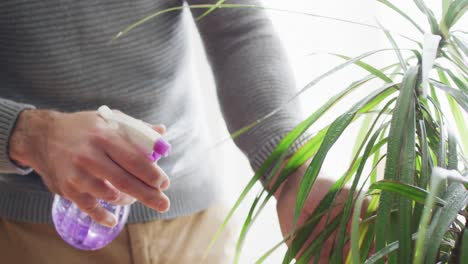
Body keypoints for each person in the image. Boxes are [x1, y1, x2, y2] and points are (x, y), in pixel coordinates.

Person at [0, 0, 350, 263]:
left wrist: (292, 172)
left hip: (194, 231)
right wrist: (29, 134)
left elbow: (237, 30)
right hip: (29, 236)